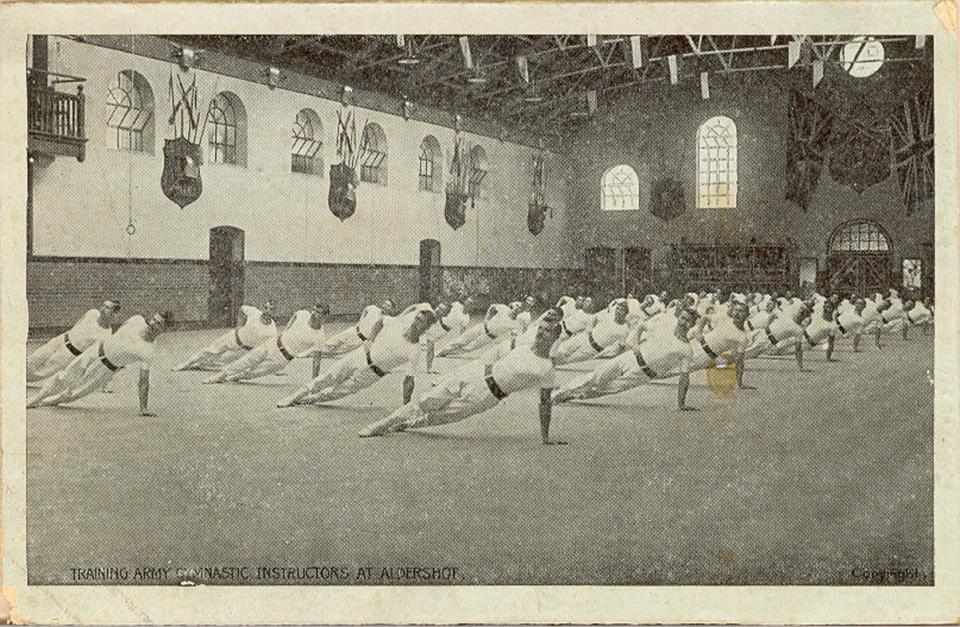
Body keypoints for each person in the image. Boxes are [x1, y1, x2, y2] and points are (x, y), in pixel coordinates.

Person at [358, 308, 567, 444]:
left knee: (438, 417)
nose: (540, 333)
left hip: (487, 396)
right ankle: (379, 426)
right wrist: (475, 369)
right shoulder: (522, 345)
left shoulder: (546, 368)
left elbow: (545, 403)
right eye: (540, 328)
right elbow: (493, 354)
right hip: (474, 374)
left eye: (547, 331)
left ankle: (404, 424)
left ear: (556, 336)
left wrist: (545, 437)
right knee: (424, 401)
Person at [276, 304, 438, 407]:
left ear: (426, 328)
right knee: (329, 376)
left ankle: (305, 400)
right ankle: (294, 396)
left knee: (334, 393)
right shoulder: (398, 323)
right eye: (416, 319)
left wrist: (405, 407)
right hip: (360, 355)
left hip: (372, 374)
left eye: (420, 322)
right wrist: (370, 340)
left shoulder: (415, 350)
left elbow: (409, 381)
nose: (415, 323)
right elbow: (381, 320)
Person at [27, 311, 172, 415]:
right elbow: (118, 333)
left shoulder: (148, 351)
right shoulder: (136, 320)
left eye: (158, 324)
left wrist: (143, 408)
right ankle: (34, 400)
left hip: (104, 370)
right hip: (95, 351)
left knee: (70, 395)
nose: (152, 324)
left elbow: (143, 381)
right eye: (153, 319)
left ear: (164, 330)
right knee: (64, 377)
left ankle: (45, 402)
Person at [552, 307, 704, 405]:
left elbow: (684, 377)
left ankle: (571, 395)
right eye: (682, 318)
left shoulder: (686, 349)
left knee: (602, 390)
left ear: (691, 325)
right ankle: (557, 393)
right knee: (597, 375)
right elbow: (641, 327)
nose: (683, 322)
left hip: (642, 374)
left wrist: (681, 404)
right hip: (630, 357)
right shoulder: (664, 327)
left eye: (687, 320)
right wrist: (636, 344)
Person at [204, 303, 328, 384]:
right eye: (313, 309)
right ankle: (220, 376)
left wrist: (314, 382)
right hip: (273, 343)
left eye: (318, 312)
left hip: (282, 358)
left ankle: (233, 377)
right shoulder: (303, 314)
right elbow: (295, 314)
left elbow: (316, 361)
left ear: (324, 317)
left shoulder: (319, 336)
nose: (313, 313)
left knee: (252, 373)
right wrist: (286, 330)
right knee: (248, 360)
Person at [26, 300, 121, 383]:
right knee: (35, 357)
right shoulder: (92, 313)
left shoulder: (106, 334)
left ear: (114, 314)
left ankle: (22, 380)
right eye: (104, 305)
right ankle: (15, 373)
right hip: (61, 339)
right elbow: (78, 323)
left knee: (40, 372)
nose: (103, 308)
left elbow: (91, 354)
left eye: (108, 308)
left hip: (68, 354)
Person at [172, 301, 276, 371]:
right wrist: (239, 324)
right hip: (233, 338)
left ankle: (198, 365)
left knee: (219, 365)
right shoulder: (254, 312)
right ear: (263, 308)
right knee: (210, 350)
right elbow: (242, 309)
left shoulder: (272, 328)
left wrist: (273, 368)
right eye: (266, 308)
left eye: (271, 309)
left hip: (242, 350)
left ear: (274, 312)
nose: (268, 311)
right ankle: (185, 364)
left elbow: (271, 347)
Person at [436, 302, 517, 357]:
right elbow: (492, 307)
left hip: (489, 337)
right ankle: (440, 352)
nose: (516, 310)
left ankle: (448, 353)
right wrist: (487, 318)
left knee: (468, 349)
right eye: (516, 307)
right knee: (462, 339)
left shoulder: (514, 323)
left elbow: (513, 336)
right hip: (482, 327)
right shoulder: (504, 308)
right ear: (512, 307)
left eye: (519, 310)